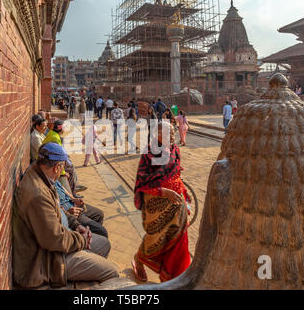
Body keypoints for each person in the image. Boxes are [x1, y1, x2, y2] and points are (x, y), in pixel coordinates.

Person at [12, 143, 119, 289]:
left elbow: (58, 211)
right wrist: (81, 239)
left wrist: (76, 225)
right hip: (47, 260)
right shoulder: (38, 194)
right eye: (62, 167)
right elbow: (54, 240)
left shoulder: (41, 177)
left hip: (60, 242)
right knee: (111, 272)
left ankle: (87, 262)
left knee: (104, 244)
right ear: (57, 167)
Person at [131, 121, 192, 283]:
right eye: (168, 133)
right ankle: (140, 258)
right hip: (156, 204)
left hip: (177, 201)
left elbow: (176, 172)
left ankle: (175, 274)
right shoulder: (149, 153)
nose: (173, 136)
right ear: (157, 134)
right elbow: (142, 183)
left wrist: (183, 191)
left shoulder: (175, 149)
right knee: (157, 237)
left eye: (173, 133)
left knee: (179, 238)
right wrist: (164, 192)